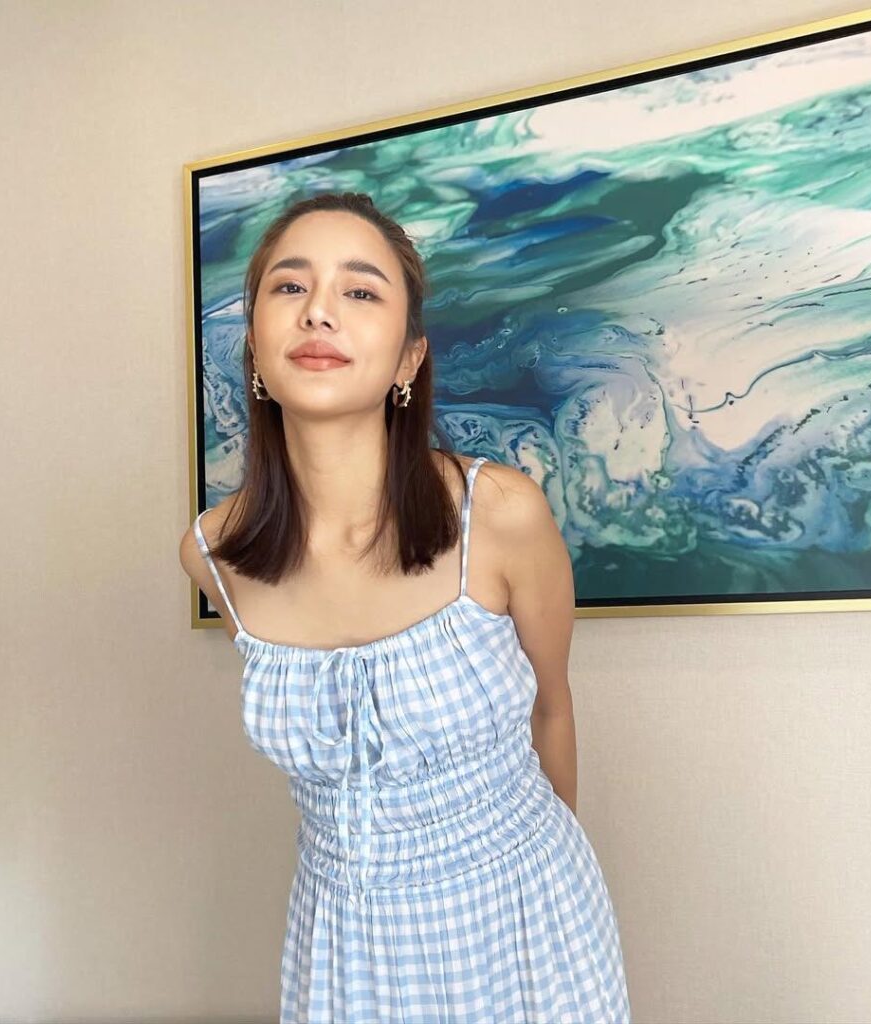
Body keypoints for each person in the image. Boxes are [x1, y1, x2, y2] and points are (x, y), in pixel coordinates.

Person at [179, 191, 631, 1023]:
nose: (318, 311)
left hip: (524, 922)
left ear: (408, 360)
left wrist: (551, 884)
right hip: (343, 950)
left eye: (359, 291)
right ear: (255, 352)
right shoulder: (213, 553)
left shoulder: (499, 513)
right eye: (289, 287)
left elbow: (552, 706)